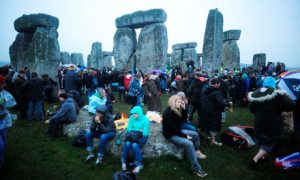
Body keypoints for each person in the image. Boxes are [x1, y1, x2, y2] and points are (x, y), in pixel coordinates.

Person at [248, 76, 295, 169]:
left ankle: (262, 156)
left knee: (260, 138)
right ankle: (255, 159)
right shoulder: (278, 94)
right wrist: (280, 109)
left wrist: (259, 112)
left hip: (259, 121)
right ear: (274, 84)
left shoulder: (257, 93)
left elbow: (251, 108)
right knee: (270, 142)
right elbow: (290, 105)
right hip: (273, 123)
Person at [162, 95, 207, 178]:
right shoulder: (168, 113)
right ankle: (196, 168)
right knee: (189, 143)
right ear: (173, 102)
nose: (180, 103)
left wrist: (184, 108)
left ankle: (196, 151)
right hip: (171, 135)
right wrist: (186, 136)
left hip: (178, 130)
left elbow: (183, 120)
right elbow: (173, 130)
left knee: (195, 134)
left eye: (180, 101)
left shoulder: (178, 109)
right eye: (178, 102)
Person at [200, 78, 231, 146]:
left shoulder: (205, 90)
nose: (220, 85)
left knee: (206, 124)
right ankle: (213, 140)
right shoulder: (216, 92)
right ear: (216, 84)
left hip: (205, 110)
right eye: (219, 84)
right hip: (214, 111)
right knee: (213, 126)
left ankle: (205, 139)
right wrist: (228, 104)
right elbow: (221, 102)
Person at [121, 106, 150, 174]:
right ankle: (123, 162)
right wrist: (139, 130)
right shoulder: (131, 118)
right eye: (133, 113)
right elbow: (128, 129)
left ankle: (139, 165)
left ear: (139, 113)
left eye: (135, 113)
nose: (133, 115)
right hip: (132, 136)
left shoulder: (145, 120)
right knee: (127, 144)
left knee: (134, 145)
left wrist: (134, 130)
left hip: (142, 137)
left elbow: (145, 133)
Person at [0, 75, 17, 170]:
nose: (4, 84)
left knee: (3, 141)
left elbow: (8, 104)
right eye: (2, 83)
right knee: (1, 145)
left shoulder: (3, 93)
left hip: (3, 121)